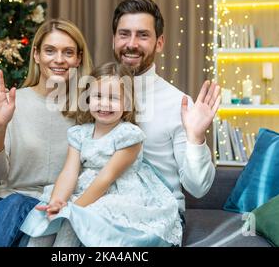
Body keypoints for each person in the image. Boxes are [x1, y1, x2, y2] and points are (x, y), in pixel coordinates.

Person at [20, 62, 183, 247]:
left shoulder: (129, 136)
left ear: (127, 103)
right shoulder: (79, 133)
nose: (104, 104)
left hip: (118, 194)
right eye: (98, 96)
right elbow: (69, 172)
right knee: (47, 218)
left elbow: (106, 178)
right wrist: (58, 201)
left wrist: (74, 209)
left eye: (113, 98)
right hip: (85, 189)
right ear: (88, 99)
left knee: (75, 219)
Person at [0, 18, 93, 247]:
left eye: (68, 52)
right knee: (18, 202)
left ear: (78, 58)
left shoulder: (90, 110)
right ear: (36, 54)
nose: (59, 59)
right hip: (10, 206)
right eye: (50, 50)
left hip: (57, 209)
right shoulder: (12, 104)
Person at [111, 0, 221, 224]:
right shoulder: (94, 96)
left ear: (159, 42)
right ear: (114, 39)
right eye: (124, 34)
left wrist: (196, 138)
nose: (131, 43)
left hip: (159, 216)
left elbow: (198, 188)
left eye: (143, 35)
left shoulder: (179, 104)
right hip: (107, 211)